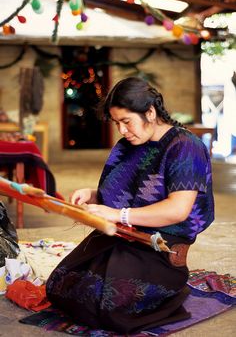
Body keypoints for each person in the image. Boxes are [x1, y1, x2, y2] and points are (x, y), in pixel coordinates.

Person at [46, 77, 214, 334]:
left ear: (150, 112)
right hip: (123, 234)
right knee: (59, 284)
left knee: (110, 305)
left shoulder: (186, 147)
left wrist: (117, 214)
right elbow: (128, 193)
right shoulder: (130, 144)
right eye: (117, 123)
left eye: (126, 121)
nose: (122, 131)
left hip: (159, 244)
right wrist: (92, 194)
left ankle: (172, 293)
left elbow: (177, 210)